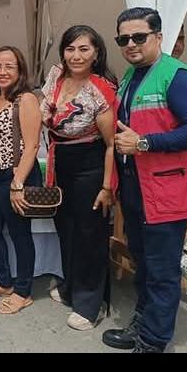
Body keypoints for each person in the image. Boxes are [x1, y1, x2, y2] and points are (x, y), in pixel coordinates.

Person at [104, 7, 187, 353]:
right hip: (138, 186)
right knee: (143, 262)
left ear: (158, 37)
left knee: (162, 270)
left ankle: (153, 342)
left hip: (168, 190)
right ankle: (143, 324)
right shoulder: (132, 75)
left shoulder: (178, 77)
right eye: (123, 39)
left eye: (139, 37)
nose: (130, 44)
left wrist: (144, 143)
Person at [40, 25, 117, 331]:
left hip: (91, 164)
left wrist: (107, 187)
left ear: (96, 53)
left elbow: (111, 144)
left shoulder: (101, 89)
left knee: (90, 234)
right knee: (67, 229)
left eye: (84, 49)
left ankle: (90, 303)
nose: (76, 55)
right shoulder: (56, 77)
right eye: (70, 48)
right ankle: (71, 286)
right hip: (60, 162)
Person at [0, 46, 42, 315]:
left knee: (19, 235)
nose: (2, 71)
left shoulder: (26, 100)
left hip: (15, 175)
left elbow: (32, 145)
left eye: (9, 66)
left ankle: (23, 291)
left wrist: (18, 184)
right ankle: (3, 281)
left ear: (20, 70)